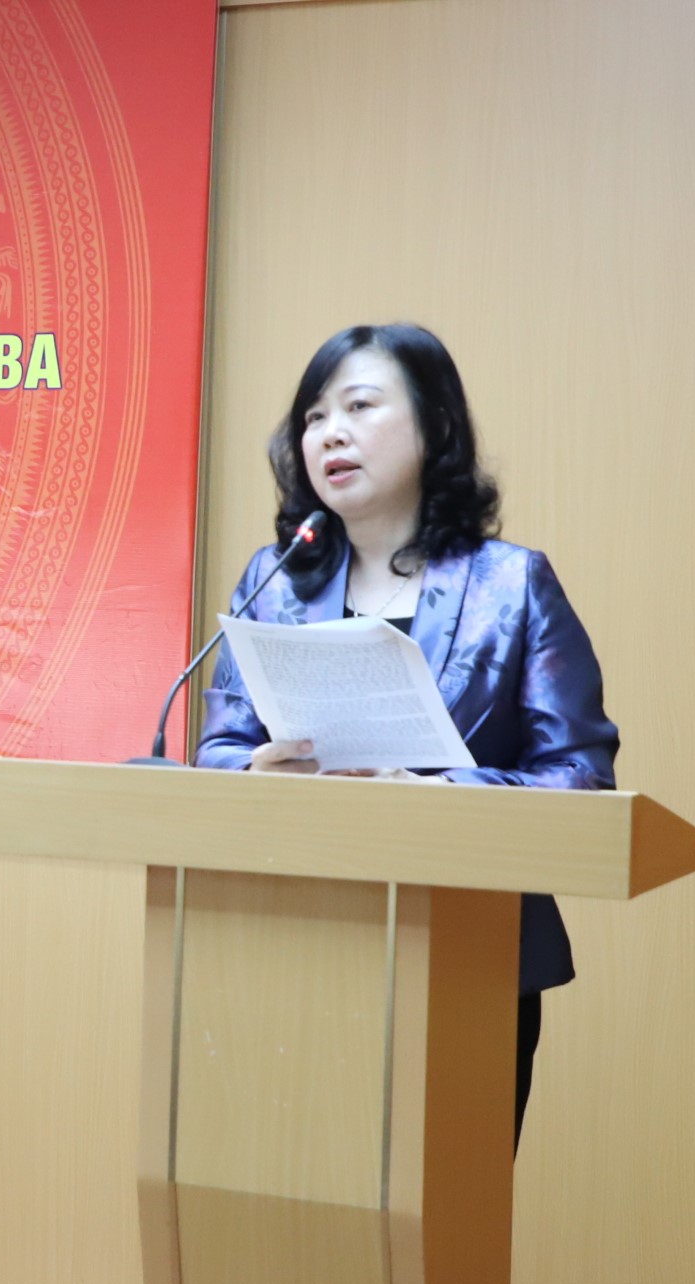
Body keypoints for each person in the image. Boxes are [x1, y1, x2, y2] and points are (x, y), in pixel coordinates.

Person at [193, 323, 618, 1148]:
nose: (331, 433)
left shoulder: (510, 586)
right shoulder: (273, 584)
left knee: (446, 1197)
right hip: (295, 944)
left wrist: (428, 795)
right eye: (314, 417)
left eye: (359, 406)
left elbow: (579, 777)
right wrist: (253, 771)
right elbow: (220, 747)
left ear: (435, 426)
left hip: (468, 958)